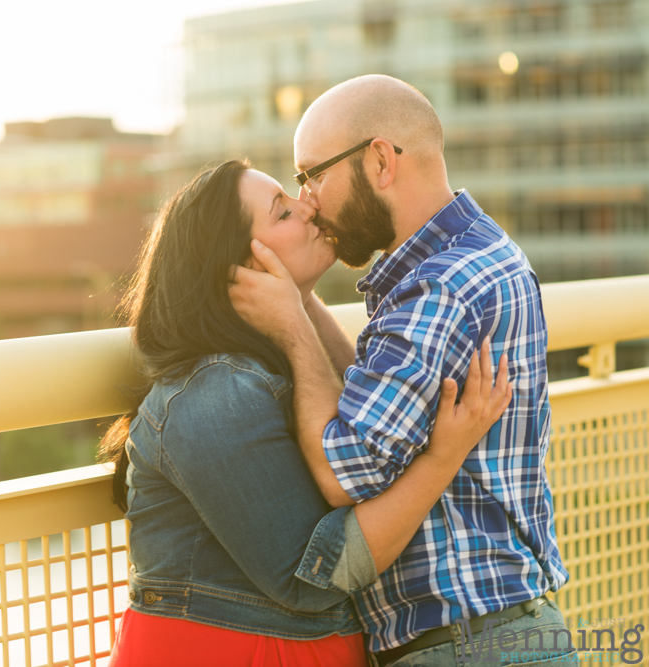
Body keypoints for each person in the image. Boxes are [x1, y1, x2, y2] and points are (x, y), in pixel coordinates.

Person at [101, 159, 511, 667]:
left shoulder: (271, 371)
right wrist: (443, 458)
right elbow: (315, 577)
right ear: (243, 267)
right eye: (283, 211)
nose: (310, 205)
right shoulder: (216, 393)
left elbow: (354, 434)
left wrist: (296, 303)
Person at [230, 75, 574, 666]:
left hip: (465, 645)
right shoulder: (472, 255)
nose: (309, 198)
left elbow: (346, 468)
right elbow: (370, 401)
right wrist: (303, 299)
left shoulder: (438, 287)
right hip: (501, 632)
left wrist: (291, 327)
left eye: (314, 173)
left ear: (381, 161)